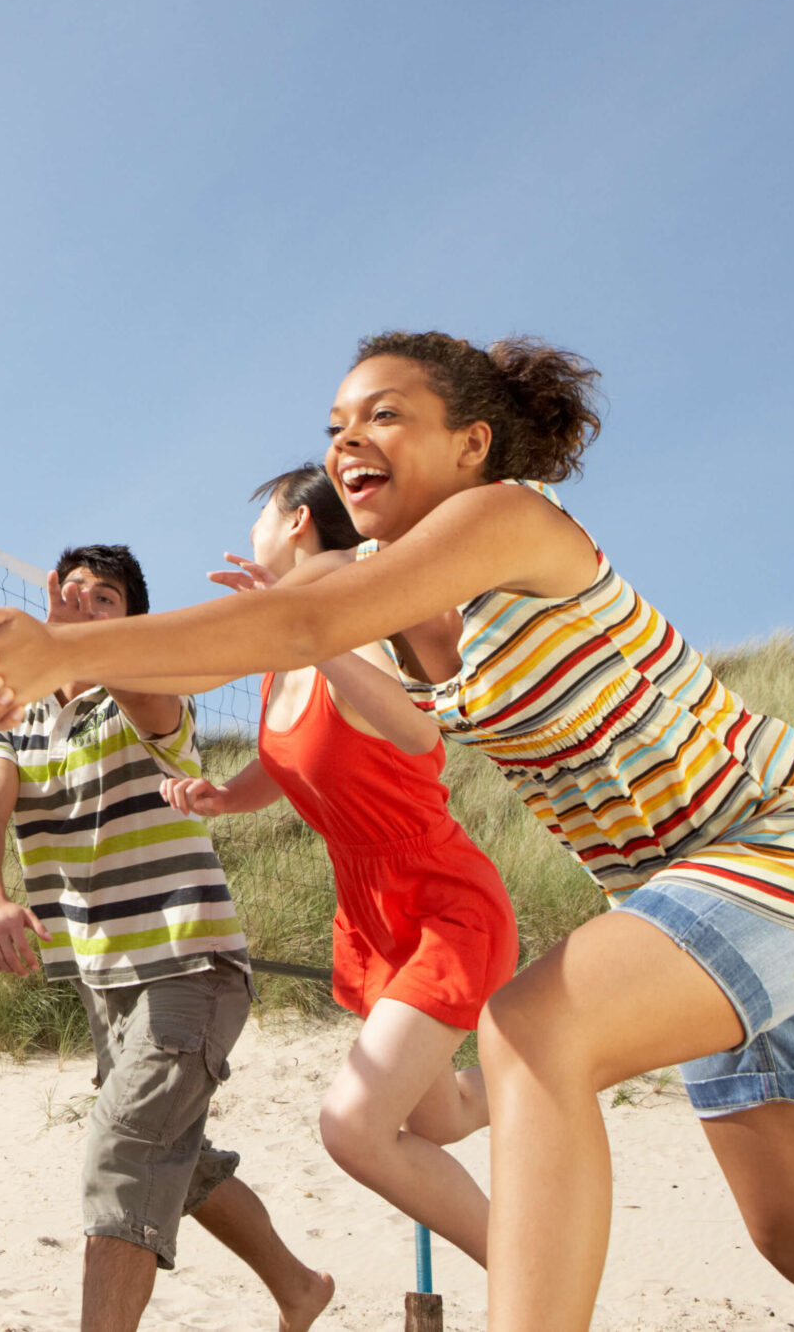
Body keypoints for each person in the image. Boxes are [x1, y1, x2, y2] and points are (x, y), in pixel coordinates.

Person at [0, 334, 794, 1332]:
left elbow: (294, 631)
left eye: (384, 414)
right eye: (336, 423)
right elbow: (233, 654)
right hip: (677, 902)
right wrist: (62, 659)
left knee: (530, 1031)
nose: (348, 440)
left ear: (472, 443)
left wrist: (60, 645)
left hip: (785, 849)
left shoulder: (508, 518)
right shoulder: (368, 583)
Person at [0, 544, 334, 1332]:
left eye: (108, 599)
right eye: (74, 593)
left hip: (188, 962)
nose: (87, 603)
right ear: (50, 602)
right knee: (178, 1158)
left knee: (123, 1154)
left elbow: (143, 681)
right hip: (103, 979)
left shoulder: (148, 695)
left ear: (131, 623)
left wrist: (75, 641)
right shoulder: (14, 718)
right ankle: (299, 1286)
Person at [152, 463, 514, 1266]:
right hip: (372, 907)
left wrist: (316, 634)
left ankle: (533, 1285)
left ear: (295, 522)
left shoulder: (352, 614)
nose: (249, 531)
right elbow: (295, 762)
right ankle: (551, 1061)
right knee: (443, 1116)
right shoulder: (291, 647)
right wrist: (224, 794)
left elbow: (422, 738)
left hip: (441, 898)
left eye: (259, 516)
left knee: (353, 1126)